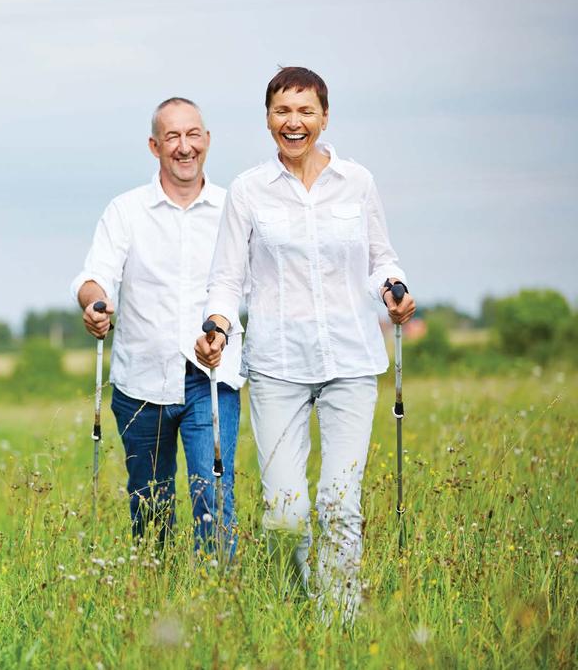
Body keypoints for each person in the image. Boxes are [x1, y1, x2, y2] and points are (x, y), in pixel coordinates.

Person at [195, 67, 415, 618]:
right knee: (284, 511)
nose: (293, 123)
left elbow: (378, 258)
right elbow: (225, 277)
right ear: (268, 118)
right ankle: (296, 603)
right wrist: (217, 327)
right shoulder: (248, 190)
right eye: (282, 112)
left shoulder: (357, 182)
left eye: (305, 112)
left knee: (340, 503)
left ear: (324, 116)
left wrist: (394, 288)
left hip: (349, 360)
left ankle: (336, 622)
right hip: (278, 364)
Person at [70, 97, 243, 555]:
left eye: (193, 135)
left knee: (213, 495)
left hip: (212, 377)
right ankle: (154, 595)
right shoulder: (126, 210)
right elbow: (95, 277)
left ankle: (217, 600)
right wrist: (95, 305)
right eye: (172, 137)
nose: (184, 147)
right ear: (154, 146)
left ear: (206, 141)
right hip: (141, 379)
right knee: (150, 504)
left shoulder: (233, 208)